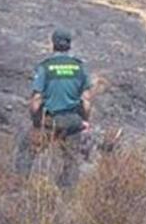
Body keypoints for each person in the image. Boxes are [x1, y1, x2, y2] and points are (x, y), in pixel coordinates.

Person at [15, 28, 94, 186]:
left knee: (26, 149)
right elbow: (86, 100)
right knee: (71, 160)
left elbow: (37, 99)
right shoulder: (79, 67)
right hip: (73, 121)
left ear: (53, 44)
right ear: (69, 45)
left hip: (50, 120)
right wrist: (84, 121)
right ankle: (66, 196)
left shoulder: (46, 67)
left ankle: (19, 186)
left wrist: (36, 121)